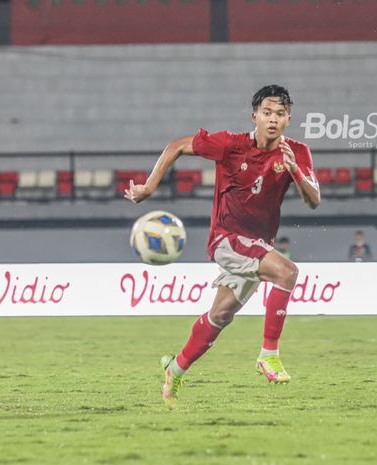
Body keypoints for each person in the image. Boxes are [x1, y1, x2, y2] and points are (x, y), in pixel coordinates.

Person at [124, 85, 320, 409]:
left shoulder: (296, 153)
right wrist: (149, 186)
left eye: (280, 114)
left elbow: (314, 200)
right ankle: (268, 356)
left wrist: (296, 172)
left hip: (258, 245)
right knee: (287, 272)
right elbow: (177, 146)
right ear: (254, 116)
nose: (273, 119)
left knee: (221, 314)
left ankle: (175, 369)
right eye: (267, 113)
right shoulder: (231, 145)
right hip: (226, 240)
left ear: (289, 119)